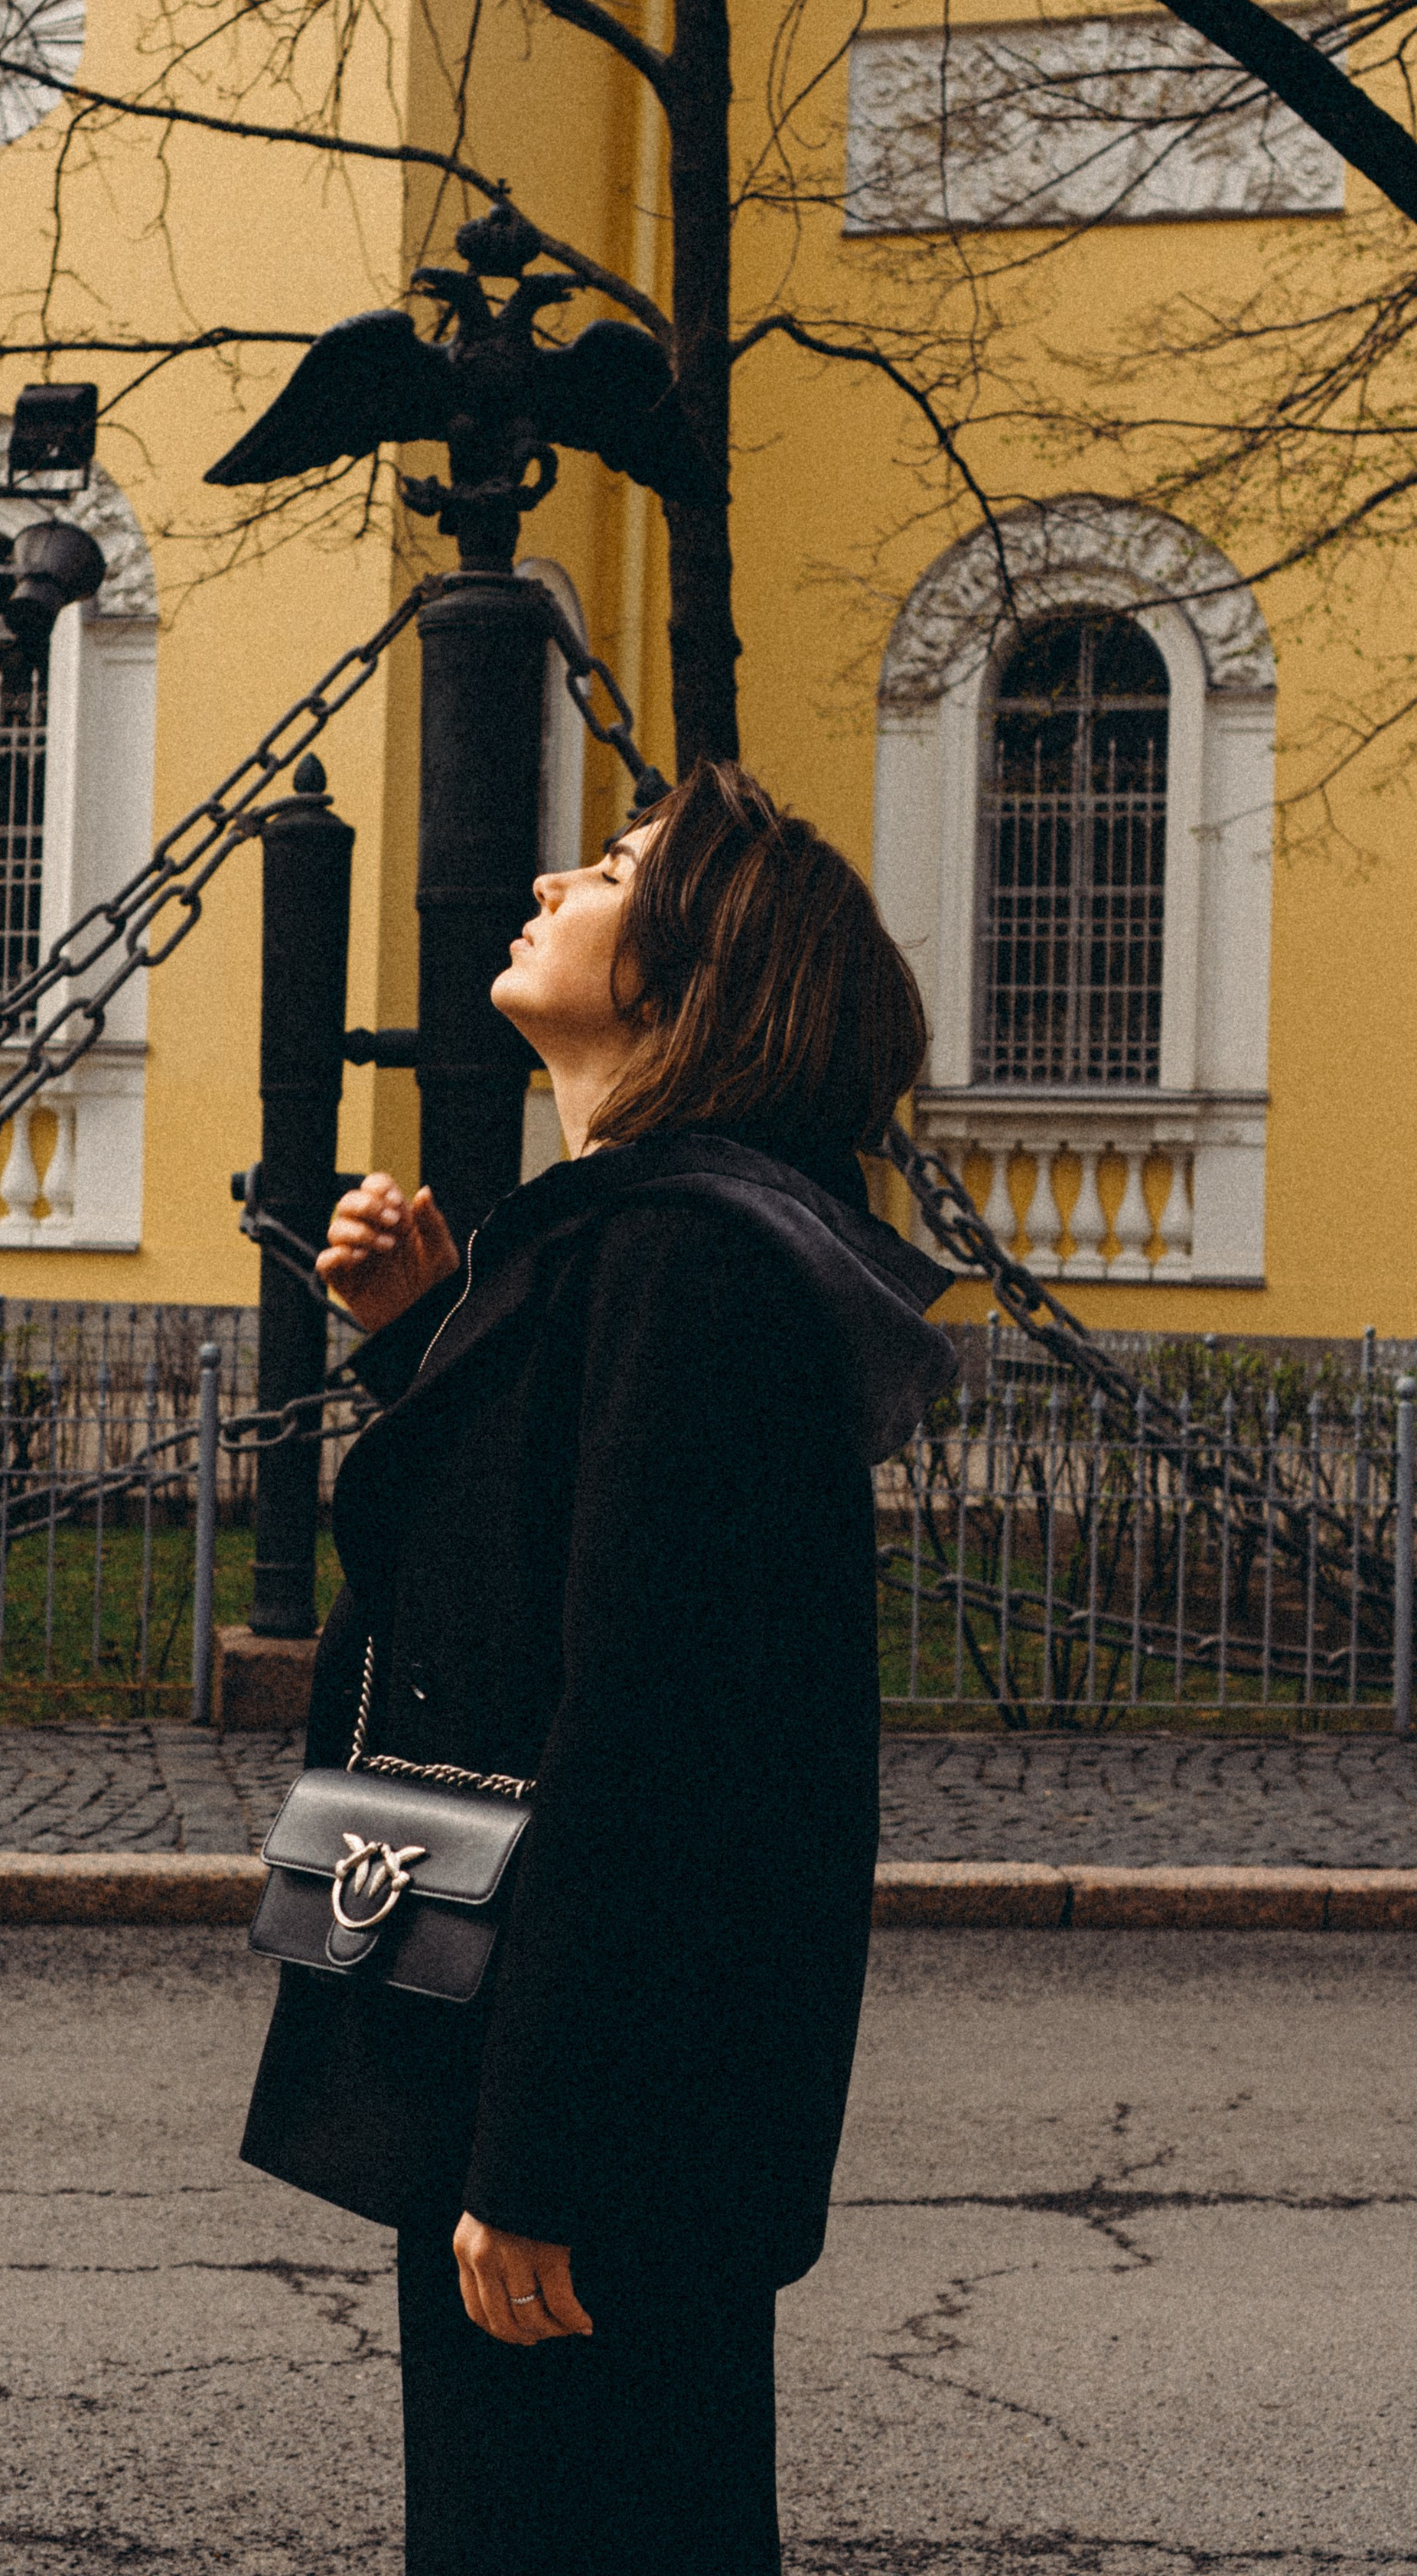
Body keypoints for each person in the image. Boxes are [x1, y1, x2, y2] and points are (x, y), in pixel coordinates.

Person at [239, 758, 958, 2576]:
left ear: (688, 972)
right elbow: (522, 1585)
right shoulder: (639, 1245)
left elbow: (648, 1737)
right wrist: (429, 1349)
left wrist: (537, 2148)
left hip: (580, 2103)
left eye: (620, 868)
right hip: (573, 2066)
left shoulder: (680, 1264)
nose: (556, 878)